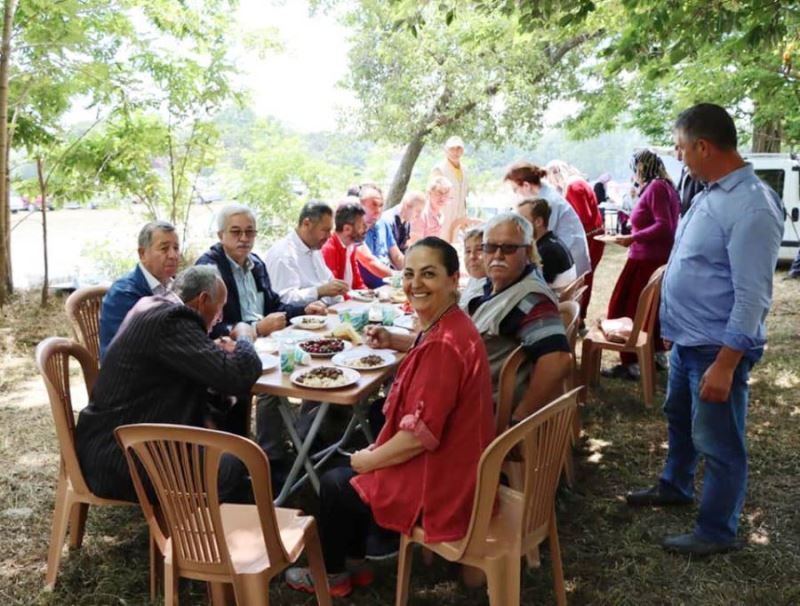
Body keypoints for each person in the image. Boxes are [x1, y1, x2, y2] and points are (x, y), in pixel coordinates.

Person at [285, 237, 494, 597]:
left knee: (336, 481)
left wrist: (369, 461)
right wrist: (394, 339)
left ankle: (334, 574)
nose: (415, 284)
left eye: (429, 274)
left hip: (442, 478)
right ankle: (356, 563)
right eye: (410, 274)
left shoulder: (443, 345)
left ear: (453, 279)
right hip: (462, 461)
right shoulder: (451, 323)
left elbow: (419, 436)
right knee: (350, 461)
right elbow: (424, 346)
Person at [626, 103, 783, 557]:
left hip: (716, 349)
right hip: (689, 341)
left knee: (719, 442)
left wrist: (726, 363)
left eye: (680, 148)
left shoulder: (751, 205)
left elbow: (753, 297)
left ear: (703, 146)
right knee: (680, 420)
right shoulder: (712, 191)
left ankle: (716, 530)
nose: (678, 157)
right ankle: (675, 484)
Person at [75, 265, 262, 503]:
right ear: (203, 300)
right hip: (120, 457)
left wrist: (213, 354)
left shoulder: (156, 306)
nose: (221, 318)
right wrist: (245, 335)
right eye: (221, 307)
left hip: (118, 441)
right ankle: (213, 534)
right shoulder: (173, 320)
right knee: (230, 465)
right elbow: (238, 376)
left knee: (228, 435)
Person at [195, 204, 323, 438]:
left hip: (268, 346)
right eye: (236, 232)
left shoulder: (256, 264)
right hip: (229, 350)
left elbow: (274, 305)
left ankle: (304, 441)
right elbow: (204, 325)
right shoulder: (209, 269)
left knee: (311, 363)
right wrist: (255, 328)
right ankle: (265, 454)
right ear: (220, 235)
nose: (244, 238)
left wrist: (304, 308)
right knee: (271, 386)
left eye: (250, 232)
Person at [465, 212, 572, 420]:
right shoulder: (498, 285)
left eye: (508, 248)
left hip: (478, 413)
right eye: (489, 247)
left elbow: (558, 360)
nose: (497, 255)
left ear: (529, 251)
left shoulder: (531, 300)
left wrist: (518, 420)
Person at [601, 150, 680, 381]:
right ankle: (654, 355)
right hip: (649, 256)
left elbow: (664, 226)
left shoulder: (656, 187)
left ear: (641, 168)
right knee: (649, 311)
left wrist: (633, 238)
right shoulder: (665, 187)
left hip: (646, 260)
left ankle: (633, 363)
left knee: (626, 309)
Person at [99, 220, 180, 359]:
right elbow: (128, 352)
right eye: (164, 249)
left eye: (176, 248)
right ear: (142, 254)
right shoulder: (123, 294)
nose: (173, 255)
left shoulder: (174, 285)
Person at [503, 161, 591, 279]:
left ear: (526, 186)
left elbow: (537, 235)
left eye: (515, 190)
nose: (516, 194)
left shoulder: (548, 202)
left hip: (567, 261)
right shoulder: (544, 195)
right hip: (565, 257)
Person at [547, 160, 605, 320]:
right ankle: (580, 315)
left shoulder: (573, 186)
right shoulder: (579, 183)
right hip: (594, 235)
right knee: (585, 277)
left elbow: (583, 216)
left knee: (580, 278)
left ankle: (578, 316)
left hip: (589, 237)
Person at [264, 201, 349, 306]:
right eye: (325, 230)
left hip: (326, 315)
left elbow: (330, 284)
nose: (329, 236)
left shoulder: (315, 248)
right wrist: (319, 292)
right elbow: (283, 299)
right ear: (306, 224)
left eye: (330, 231)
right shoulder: (283, 254)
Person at [518, 197, 576, 290]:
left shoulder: (548, 251)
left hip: (551, 300)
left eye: (522, 220)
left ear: (538, 222)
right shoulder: (551, 241)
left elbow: (538, 286)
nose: (517, 225)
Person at [354, 183, 404, 288]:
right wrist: (399, 278)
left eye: (381, 205)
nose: (378, 211)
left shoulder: (383, 223)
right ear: (360, 206)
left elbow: (397, 256)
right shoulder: (353, 228)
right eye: (374, 205)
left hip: (389, 284)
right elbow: (369, 261)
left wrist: (413, 271)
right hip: (365, 290)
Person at [321, 199, 369, 291]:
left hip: (350, 300)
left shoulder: (351, 247)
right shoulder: (329, 249)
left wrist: (369, 295)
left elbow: (357, 283)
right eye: (361, 225)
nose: (365, 228)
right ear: (347, 229)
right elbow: (334, 289)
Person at [430, 136, 469, 240]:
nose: (455, 152)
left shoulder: (465, 170)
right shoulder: (439, 169)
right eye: (452, 149)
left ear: (463, 150)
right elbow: (432, 196)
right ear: (446, 150)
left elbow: (464, 196)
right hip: (443, 216)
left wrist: (464, 216)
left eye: (458, 148)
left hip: (459, 217)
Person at [409, 175, 453, 242]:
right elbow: (415, 245)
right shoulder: (420, 214)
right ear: (429, 193)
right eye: (439, 193)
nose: (442, 198)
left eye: (446, 194)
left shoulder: (441, 215)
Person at [459, 226, 487, 309]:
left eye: (479, 249)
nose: (472, 256)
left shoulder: (488, 288)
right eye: (468, 251)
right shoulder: (475, 279)